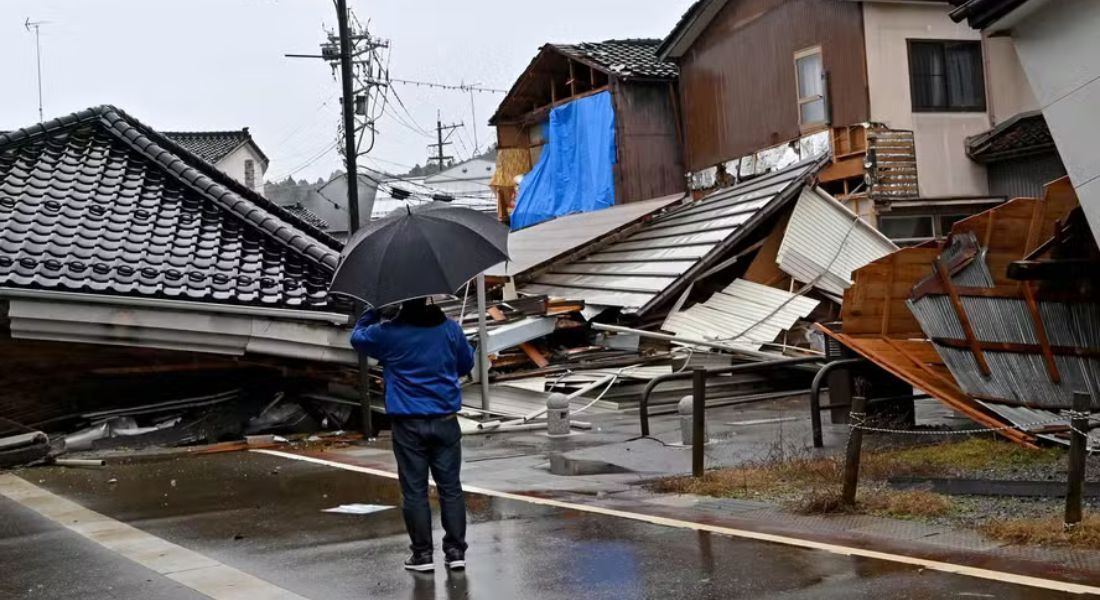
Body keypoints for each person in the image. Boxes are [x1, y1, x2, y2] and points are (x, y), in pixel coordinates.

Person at [350, 297, 475, 573]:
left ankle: (422, 555)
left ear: (400, 304)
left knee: (415, 491)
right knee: (450, 488)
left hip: (408, 424)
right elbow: (466, 364)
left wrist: (374, 311)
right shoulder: (450, 329)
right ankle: (455, 551)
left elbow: (357, 339)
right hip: (445, 421)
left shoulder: (389, 333)